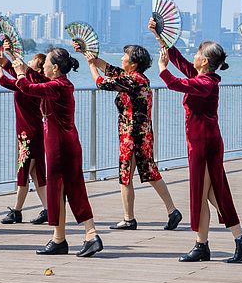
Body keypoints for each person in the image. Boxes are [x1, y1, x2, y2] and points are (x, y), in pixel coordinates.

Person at [151, 18, 242, 263]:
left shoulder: (205, 83)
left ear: (205, 61)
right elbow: (178, 59)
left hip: (204, 144)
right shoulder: (200, 77)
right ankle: (212, 243)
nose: (194, 57)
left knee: (206, 193)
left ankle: (225, 241)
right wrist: (159, 35)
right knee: (209, 193)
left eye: (197, 54)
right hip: (201, 142)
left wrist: (162, 68)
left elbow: (174, 83)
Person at [7, 47, 102, 257]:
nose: (43, 67)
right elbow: (34, 78)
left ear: (56, 67)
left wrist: (21, 74)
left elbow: (26, 86)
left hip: (60, 146)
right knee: (68, 189)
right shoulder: (60, 84)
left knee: (61, 189)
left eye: (47, 64)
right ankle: (70, 237)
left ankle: (83, 236)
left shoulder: (58, 86)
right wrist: (13, 57)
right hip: (65, 143)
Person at [76, 40, 181, 231]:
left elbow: (101, 82)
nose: (121, 58)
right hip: (142, 134)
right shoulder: (133, 77)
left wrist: (91, 66)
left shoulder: (133, 80)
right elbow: (107, 68)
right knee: (150, 173)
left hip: (132, 135)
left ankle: (129, 219)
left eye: (124, 56)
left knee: (126, 175)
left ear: (133, 63)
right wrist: (86, 53)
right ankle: (171, 211)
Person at [0, 31, 49, 226]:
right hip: (33, 131)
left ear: (38, 69)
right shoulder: (34, 81)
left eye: (32, 62)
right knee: (36, 173)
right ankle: (48, 209)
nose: (28, 62)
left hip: (28, 133)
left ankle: (17, 211)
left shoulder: (27, 84)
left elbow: (3, 79)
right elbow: (12, 66)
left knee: (24, 171)